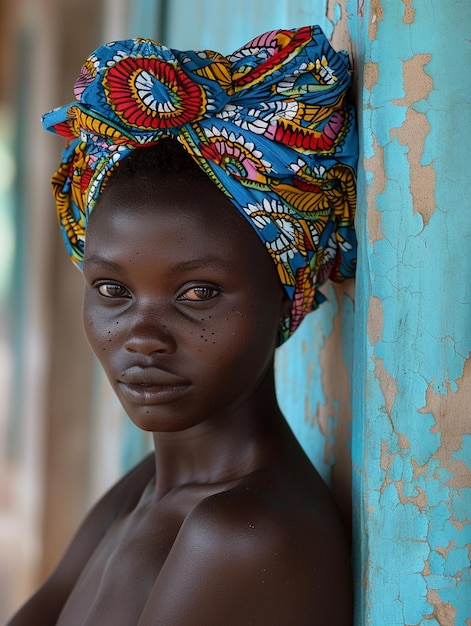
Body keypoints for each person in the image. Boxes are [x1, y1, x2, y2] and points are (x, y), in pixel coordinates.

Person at [7, 25, 357, 625]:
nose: (142, 337)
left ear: (284, 292)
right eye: (113, 290)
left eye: (198, 292)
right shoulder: (144, 491)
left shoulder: (246, 535)